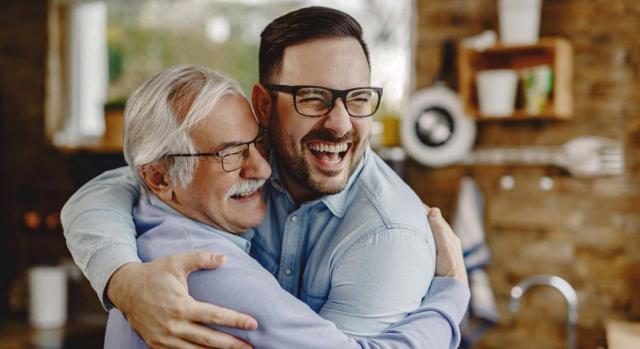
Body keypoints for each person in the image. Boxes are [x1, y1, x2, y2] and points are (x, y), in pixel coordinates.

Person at [61, 7, 469, 349]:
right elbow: (108, 187)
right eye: (313, 97)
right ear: (265, 107)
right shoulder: (200, 263)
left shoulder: (387, 234)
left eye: (358, 97)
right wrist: (123, 278)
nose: (341, 123)